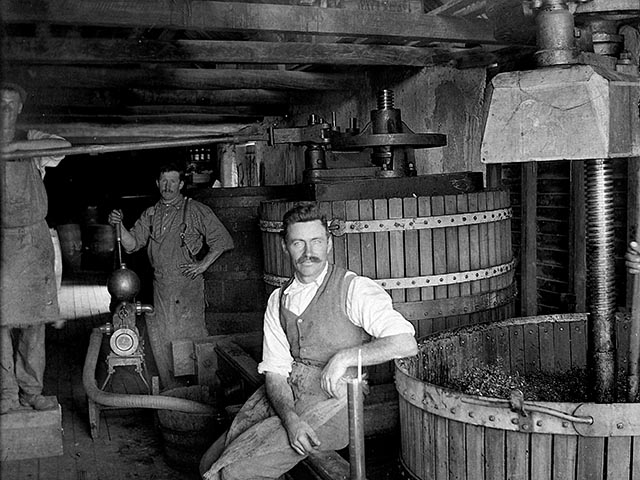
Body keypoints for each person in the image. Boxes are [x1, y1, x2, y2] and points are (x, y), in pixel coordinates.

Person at [200, 202, 418, 480]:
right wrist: (290, 419)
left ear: (328, 244)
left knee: (234, 473)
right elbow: (276, 373)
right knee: (209, 462)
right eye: (298, 243)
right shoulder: (279, 300)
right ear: (284, 247)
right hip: (285, 400)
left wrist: (345, 357)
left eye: (316, 241)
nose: (308, 252)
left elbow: (405, 343)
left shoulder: (354, 288)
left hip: (334, 406)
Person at [108, 163, 234, 389]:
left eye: (173, 181)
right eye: (163, 181)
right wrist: (119, 226)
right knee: (166, 337)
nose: (168, 186)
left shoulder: (196, 210)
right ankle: (173, 390)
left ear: (181, 184)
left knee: (192, 337)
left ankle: (203, 388)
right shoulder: (151, 214)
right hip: (162, 286)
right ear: (157, 183)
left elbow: (223, 240)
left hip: (187, 286)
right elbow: (132, 244)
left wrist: (202, 266)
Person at [0, 82, 71, 414]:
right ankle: (5, 394)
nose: (5, 111)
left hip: (34, 242)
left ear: (20, 109)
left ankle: (31, 390)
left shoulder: (31, 140)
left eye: (11, 105)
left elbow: (64, 144)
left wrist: (14, 150)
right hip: (2, 243)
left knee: (35, 322)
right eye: (0, 104)